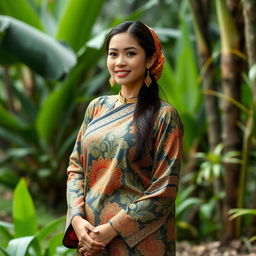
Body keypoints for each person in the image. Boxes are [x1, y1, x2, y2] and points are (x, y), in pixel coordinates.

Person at [62, 21, 183, 256]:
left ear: (150, 59)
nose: (119, 62)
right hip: (91, 238)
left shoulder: (164, 115)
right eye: (113, 54)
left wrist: (112, 229)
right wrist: (77, 220)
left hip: (141, 239)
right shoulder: (97, 107)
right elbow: (76, 167)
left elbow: (165, 187)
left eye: (130, 53)